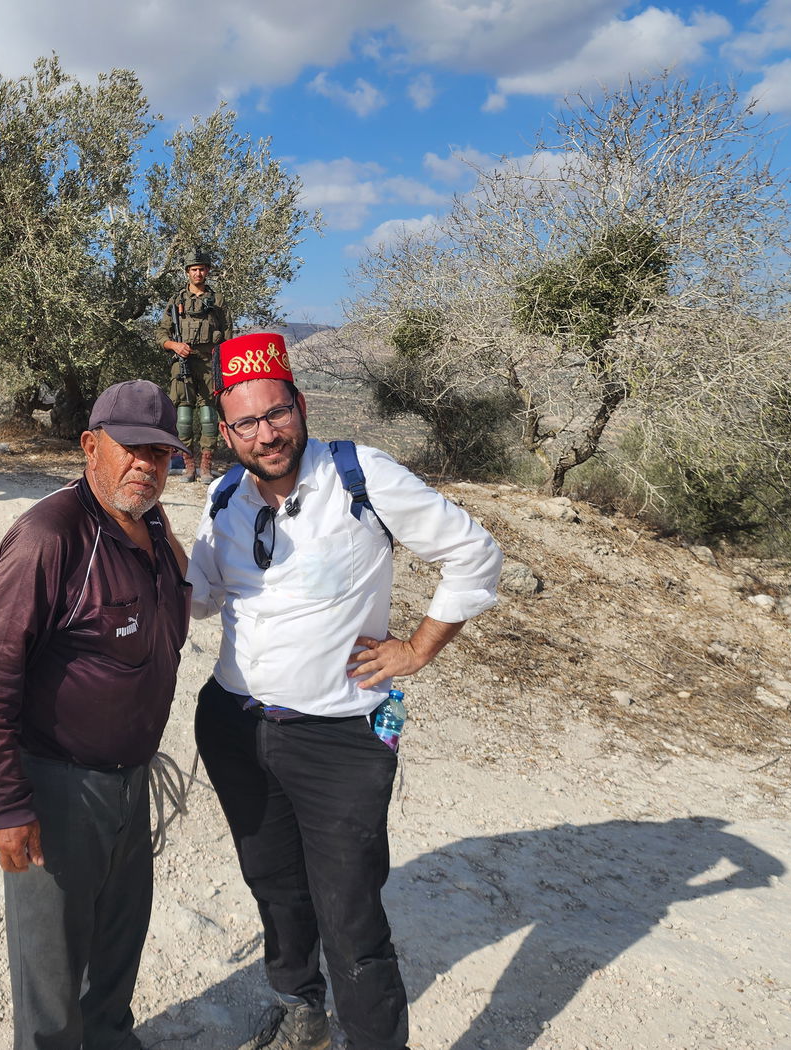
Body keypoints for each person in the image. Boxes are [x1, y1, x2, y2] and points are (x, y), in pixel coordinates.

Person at [185, 332, 503, 1050]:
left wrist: (418, 648)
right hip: (235, 724)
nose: (267, 434)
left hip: (339, 735)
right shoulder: (225, 493)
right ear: (226, 431)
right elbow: (200, 596)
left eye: (277, 414)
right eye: (247, 423)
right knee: (274, 886)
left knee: (351, 913)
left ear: (300, 405)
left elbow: (474, 554)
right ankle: (302, 1011)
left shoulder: (361, 475)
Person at [0, 380, 192, 1050]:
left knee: (119, 948)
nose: (147, 464)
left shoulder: (151, 529)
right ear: (91, 446)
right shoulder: (50, 535)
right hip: (60, 786)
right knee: (52, 973)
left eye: (161, 452)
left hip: (131, 779)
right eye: (131, 447)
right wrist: (6, 804)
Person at [156, 247, 233, 482]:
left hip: (210, 364)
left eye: (201, 269)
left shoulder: (217, 300)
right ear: (187, 272)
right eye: (193, 269)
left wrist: (223, 360)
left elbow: (229, 334)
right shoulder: (177, 300)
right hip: (183, 363)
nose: (197, 273)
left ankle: (206, 467)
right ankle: (189, 466)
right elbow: (161, 333)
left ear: (207, 271)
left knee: (209, 416)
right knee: (184, 418)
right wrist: (175, 346)